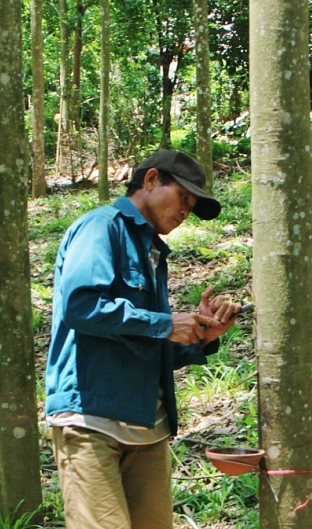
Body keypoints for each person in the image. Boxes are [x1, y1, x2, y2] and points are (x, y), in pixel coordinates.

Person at [45, 150, 242, 529]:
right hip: (91, 419)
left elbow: (139, 342)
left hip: (146, 425)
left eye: (193, 206)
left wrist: (199, 339)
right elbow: (81, 305)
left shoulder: (152, 251)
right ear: (151, 180)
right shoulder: (101, 227)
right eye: (183, 198)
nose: (186, 211)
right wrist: (164, 322)